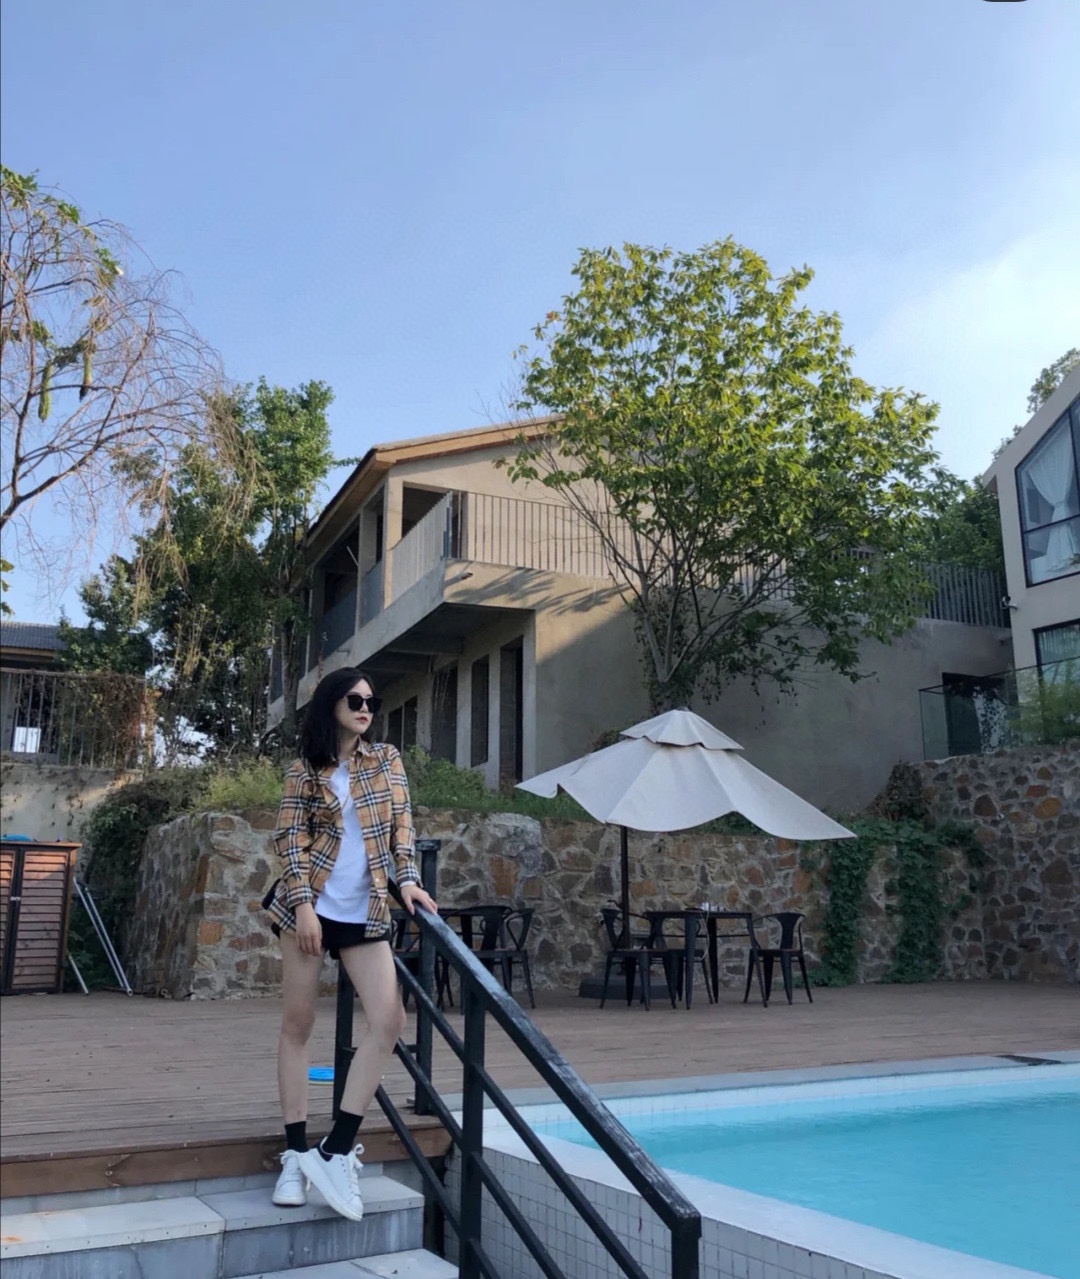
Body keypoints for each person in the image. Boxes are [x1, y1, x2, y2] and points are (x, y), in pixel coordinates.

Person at [263, 667, 437, 1221]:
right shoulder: (303, 771)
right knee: (298, 1025)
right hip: (309, 908)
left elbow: (402, 828)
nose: (365, 708)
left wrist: (408, 880)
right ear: (331, 704)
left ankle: (334, 1151)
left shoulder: (386, 760)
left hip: (365, 910)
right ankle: (295, 1156)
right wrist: (302, 907)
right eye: (355, 699)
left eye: (371, 701)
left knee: (389, 1021)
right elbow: (290, 840)